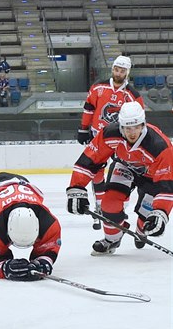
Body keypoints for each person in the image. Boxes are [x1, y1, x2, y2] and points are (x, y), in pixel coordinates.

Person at [67, 102, 173, 255]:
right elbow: (91, 160)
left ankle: (140, 230)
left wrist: (161, 212)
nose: (132, 132)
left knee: (147, 222)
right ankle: (112, 239)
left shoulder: (160, 146)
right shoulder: (110, 133)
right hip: (125, 167)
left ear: (143, 124)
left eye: (136, 127)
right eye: (127, 128)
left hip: (152, 176)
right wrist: (76, 188)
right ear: (120, 125)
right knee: (109, 204)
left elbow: (167, 185)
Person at [76, 55, 144, 229]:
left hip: (121, 140)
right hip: (99, 138)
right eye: (116, 69)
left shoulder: (132, 95)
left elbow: (139, 120)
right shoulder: (98, 87)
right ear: (112, 69)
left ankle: (119, 205)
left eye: (122, 70)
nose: (118, 73)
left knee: (122, 172)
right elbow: (89, 108)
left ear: (127, 72)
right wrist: (83, 128)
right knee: (96, 172)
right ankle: (100, 206)